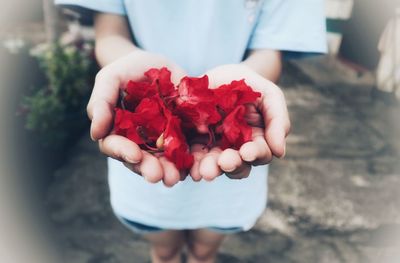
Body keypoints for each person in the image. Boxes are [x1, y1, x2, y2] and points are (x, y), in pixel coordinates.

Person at [55, 1, 326, 262]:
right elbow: (109, 34)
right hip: (149, 169)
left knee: (204, 253)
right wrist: (137, 65)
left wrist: (244, 79)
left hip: (229, 164)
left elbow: (269, 51)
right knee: (164, 253)